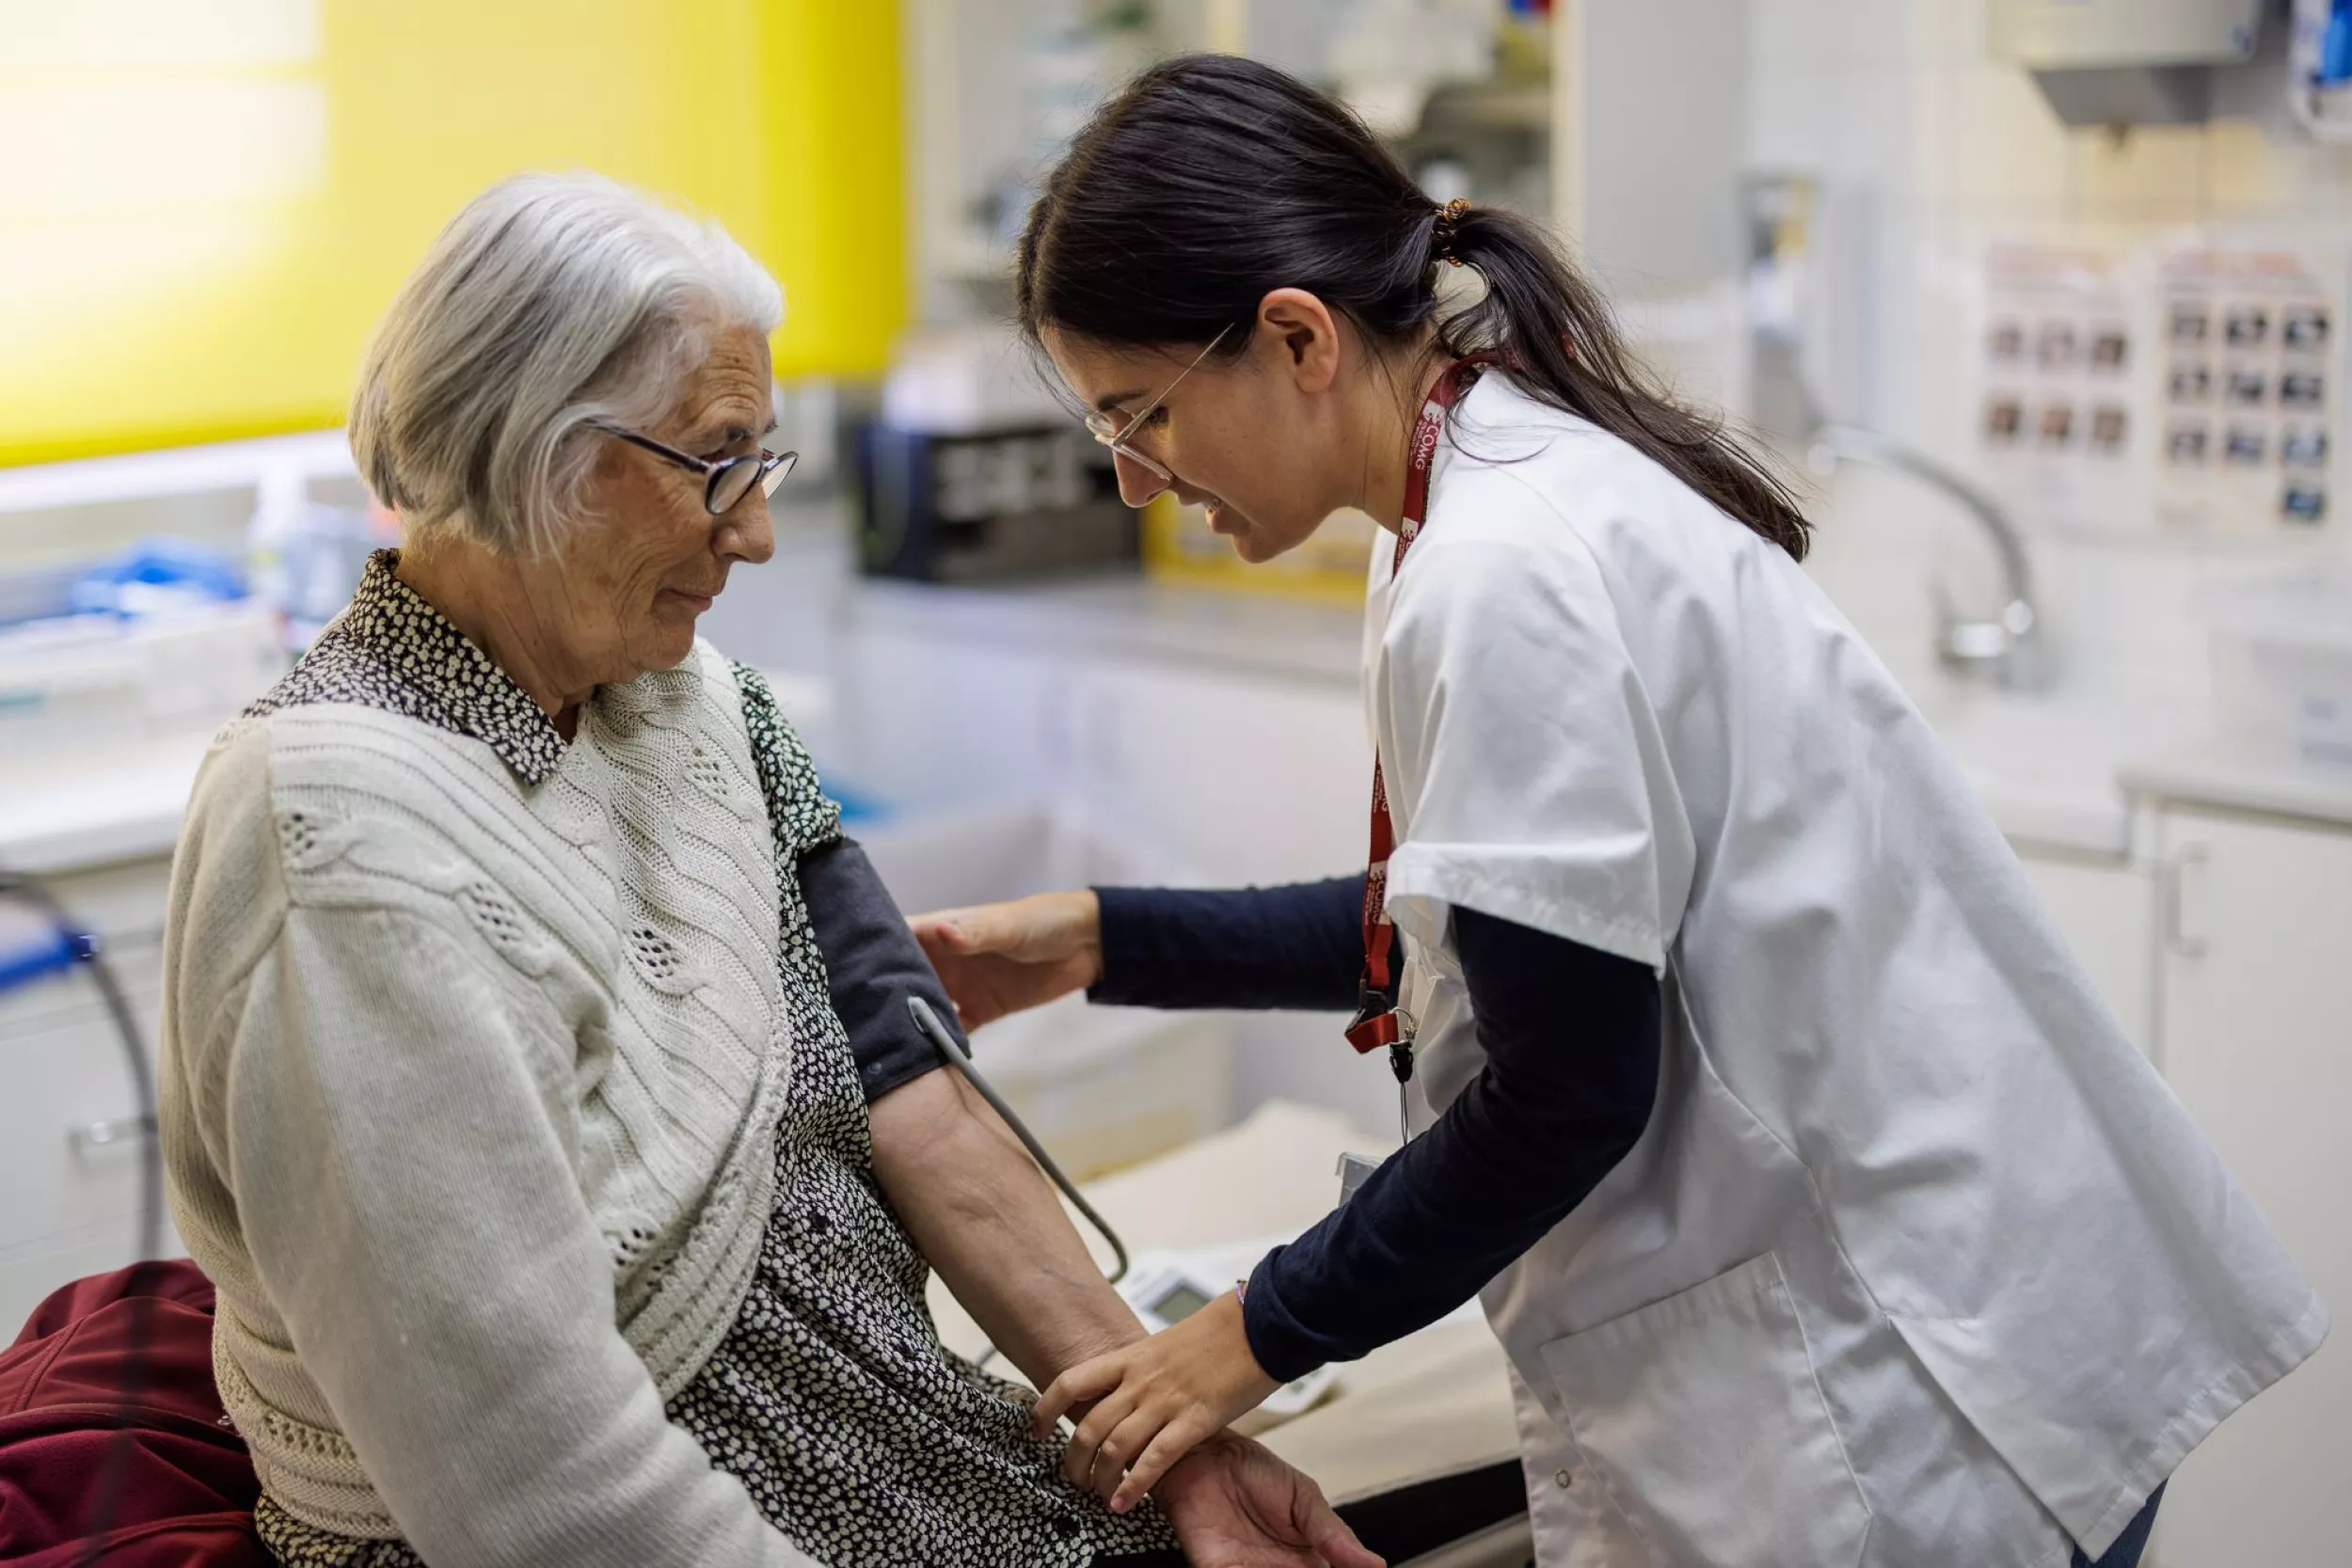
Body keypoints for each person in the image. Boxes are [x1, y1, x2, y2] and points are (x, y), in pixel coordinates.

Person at [910, 54, 2327, 1568]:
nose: (1131, 480)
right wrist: (1093, 942)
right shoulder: (1470, 485)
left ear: (1297, 338)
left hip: (1932, 1395)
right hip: (1929, 1326)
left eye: (1143, 415)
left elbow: (1567, 1085)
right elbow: (1489, 933)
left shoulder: (1507, 568)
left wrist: (1243, 1338)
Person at [156, 172, 1380, 1568]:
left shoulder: (699, 703)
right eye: (715, 459)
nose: (755, 529)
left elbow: (911, 1085)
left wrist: (1178, 1454)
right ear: (527, 443)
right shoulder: (341, 848)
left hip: (918, 1457)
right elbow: (531, 1488)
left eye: (763, 460)